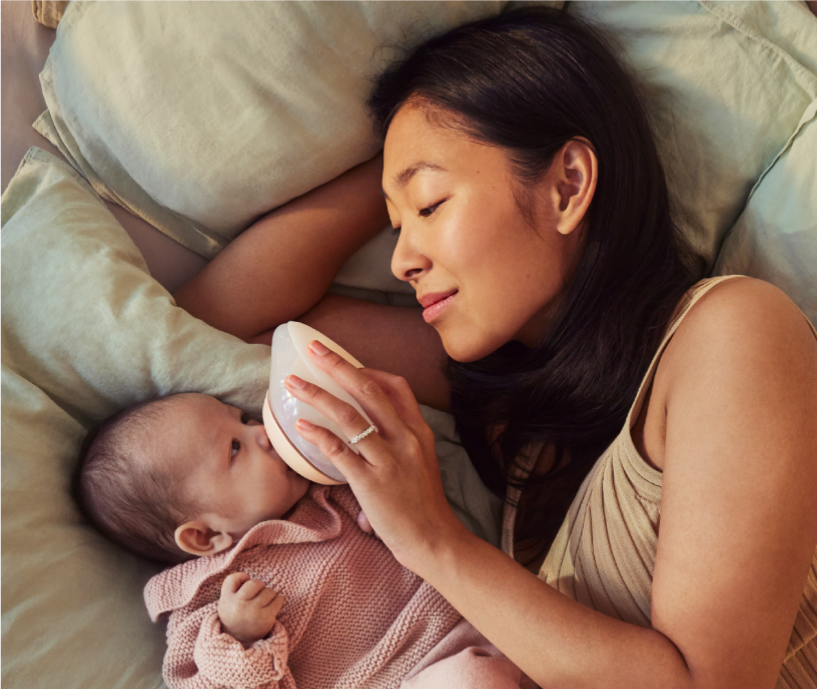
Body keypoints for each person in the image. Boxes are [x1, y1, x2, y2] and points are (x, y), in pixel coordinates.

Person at [173, 7, 817, 688]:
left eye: (428, 206)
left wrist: (431, 539)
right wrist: (395, 175)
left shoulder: (734, 334)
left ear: (567, 184)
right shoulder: (513, 411)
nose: (398, 262)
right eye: (393, 228)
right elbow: (226, 317)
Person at [73, 392, 529, 689]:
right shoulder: (207, 604)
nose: (263, 435)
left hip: (482, 629)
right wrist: (240, 638)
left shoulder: (331, 493)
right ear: (206, 535)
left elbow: (413, 516)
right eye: (235, 448)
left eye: (247, 420)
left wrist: (384, 505)